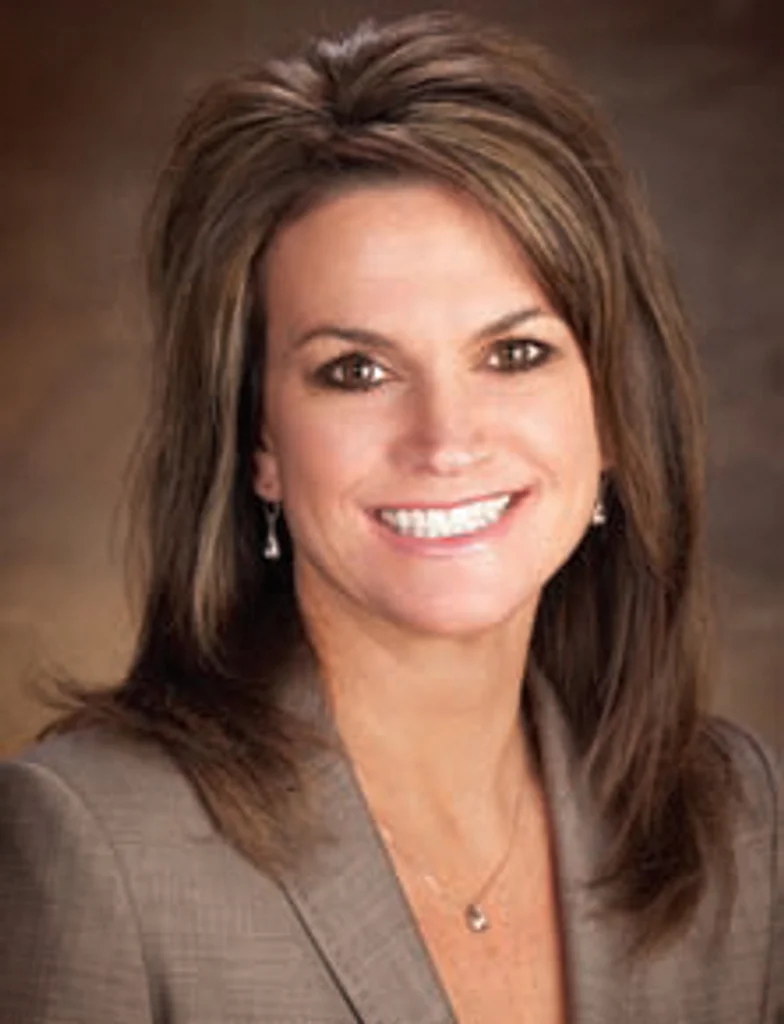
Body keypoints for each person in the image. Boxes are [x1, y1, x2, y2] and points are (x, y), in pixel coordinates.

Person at [0, 11, 780, 1023]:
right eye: (356, 371)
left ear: (613, 417)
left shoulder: (740, 823)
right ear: (259, 443)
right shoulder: (91, 846)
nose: (445, 440)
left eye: (515, 354)